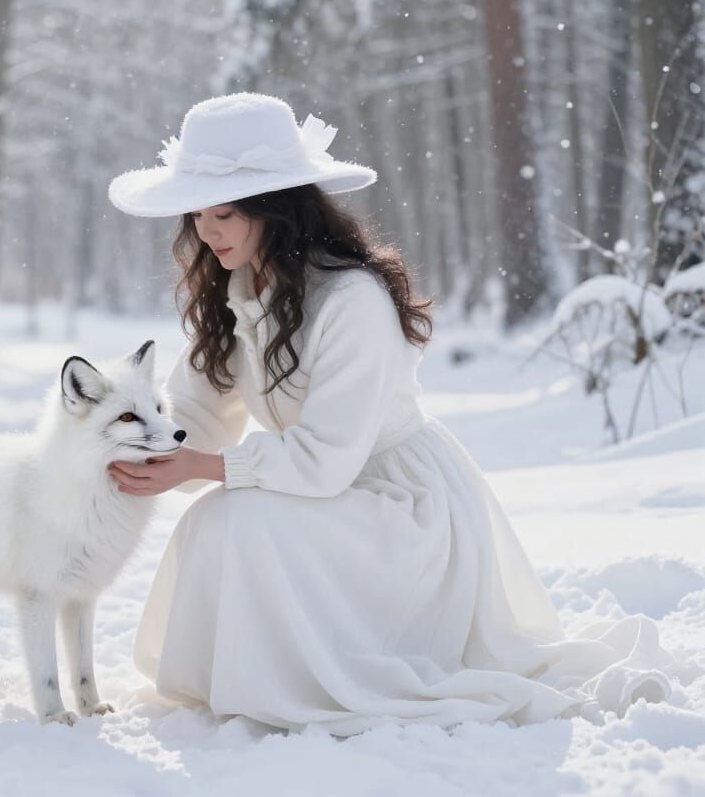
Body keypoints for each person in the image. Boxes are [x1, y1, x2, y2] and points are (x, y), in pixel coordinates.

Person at [105, 92, 677, 735]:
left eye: (226, 214)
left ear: (278, 212)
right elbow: (196, 412)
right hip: (322, 489)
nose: (207, 232)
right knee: (218, 517)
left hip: (400, 502)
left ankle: (314, 675)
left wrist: (206, 466)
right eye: (198, 214)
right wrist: (141, 448)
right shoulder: (243, 292)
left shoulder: (351, 298)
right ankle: (256, 677)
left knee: (241, 515)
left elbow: (326, 459)